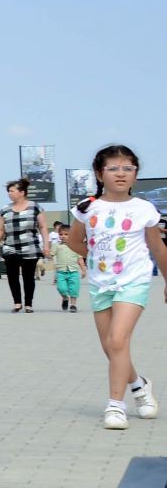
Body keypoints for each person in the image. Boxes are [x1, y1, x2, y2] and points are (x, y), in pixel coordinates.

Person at [64, 144, 167, 431]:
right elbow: (73, 242)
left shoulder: (144, 208)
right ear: (100, 174)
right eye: (113, 168)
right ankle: (139, 385)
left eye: (127, 168)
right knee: (111, 347)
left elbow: (157, 247)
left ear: (135, 174)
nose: (120, 174)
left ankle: (115, 405)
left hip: (133, 282)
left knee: (119, 340)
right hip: (100, 284)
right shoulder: (87, 208)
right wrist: (95, 254)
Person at [0, 179, 48, 312]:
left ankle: (28, 304)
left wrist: (46, 245)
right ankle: (17, 302)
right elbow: (0, 229)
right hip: (10, 247)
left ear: (22, 192)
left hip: (30, 247)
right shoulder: (5, 209)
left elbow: (43, 227)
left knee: (28, 277)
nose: (9, 193)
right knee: (12, 276)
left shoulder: (35, 207)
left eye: (12, 191)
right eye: (8, 191)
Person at [52, 219, 83, 313]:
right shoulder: (56, 245)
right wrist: (47, 254)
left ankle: (73, 305)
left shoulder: (74, 246)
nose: (63, 236)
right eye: (61, 234)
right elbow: (51, 254)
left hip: (73, 271)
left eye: (66, 234)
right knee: (61, 288)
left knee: (74, 289)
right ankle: (65, 298)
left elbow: (79, 258)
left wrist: (83, 269)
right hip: (61, 271)